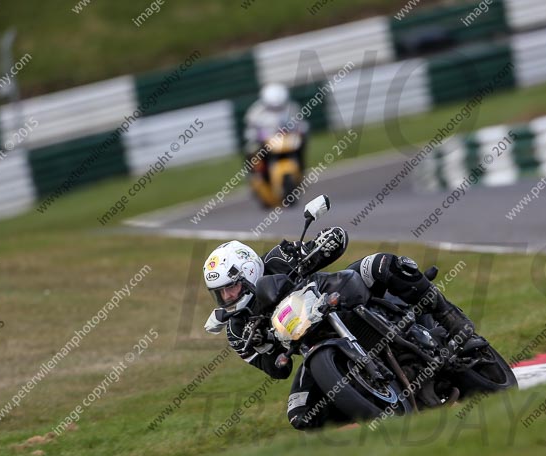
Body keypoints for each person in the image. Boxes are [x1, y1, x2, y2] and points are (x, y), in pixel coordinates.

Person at [202, 230, 474, 430]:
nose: (227, 296)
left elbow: (336, 241)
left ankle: (450, 317)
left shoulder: (279, 258)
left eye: (231, 287)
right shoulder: (237, 330)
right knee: (301, 415)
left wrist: (325, 242)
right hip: (312, 345)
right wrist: (264, 345)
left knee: (381, 264)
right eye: (220, 293)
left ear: (248, 272)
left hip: (338, 297)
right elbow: (278, 369)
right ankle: (369, 416)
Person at [243, 83, 309, 182]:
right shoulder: (256, 112)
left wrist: (300, 131)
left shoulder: (292, 108)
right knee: (251, 150)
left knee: (302, 142)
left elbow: (302, 125)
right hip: (265, 143)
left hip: (287, 140)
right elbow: (249, 130)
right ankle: (256, 176)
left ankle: (300, 169)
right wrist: (255, 136)